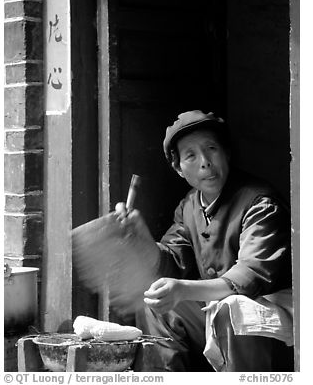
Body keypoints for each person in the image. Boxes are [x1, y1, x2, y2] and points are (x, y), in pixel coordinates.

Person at [115, 110, 294, 372]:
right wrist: (140, 237)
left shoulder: (260, 202)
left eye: (211, 148)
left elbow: (250, 277)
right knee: (156, 302)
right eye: (191, 155)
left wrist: (184, 290)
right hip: (219, 312)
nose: (205, 162)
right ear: (178, 168)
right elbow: (173, 260)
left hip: (270, 316)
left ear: (227, 153)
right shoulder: (189, 205)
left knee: (234, 308)